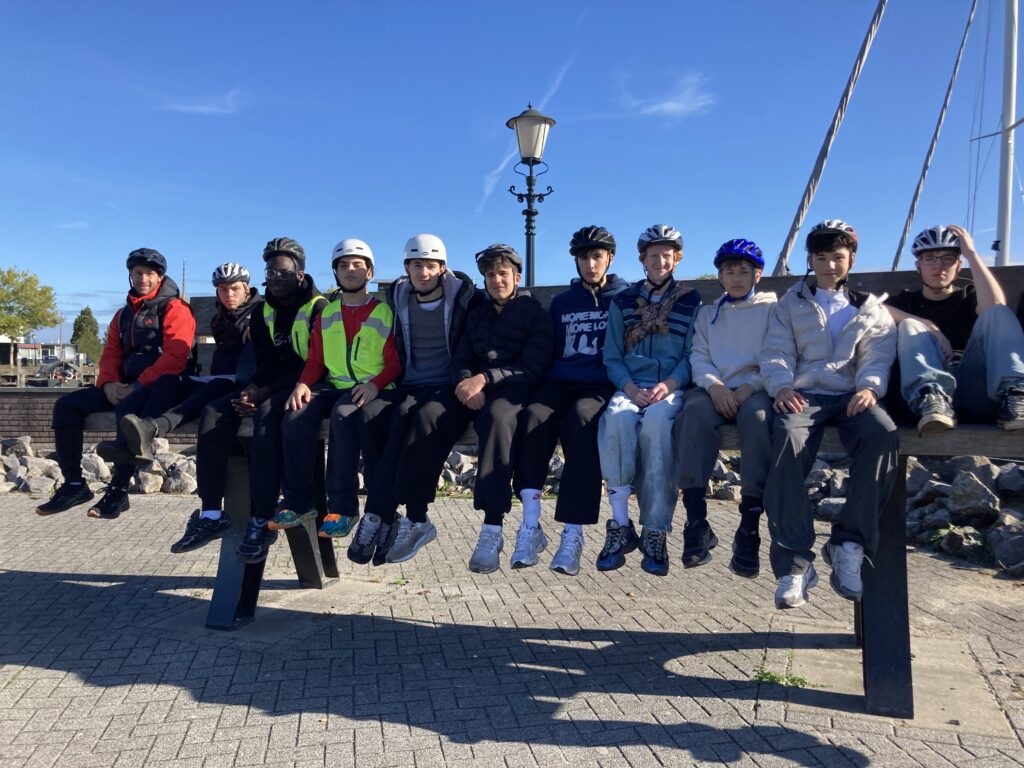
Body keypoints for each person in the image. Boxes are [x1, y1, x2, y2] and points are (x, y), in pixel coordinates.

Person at [760, 219, 897, 609]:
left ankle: (848, 544)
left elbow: (878, 355)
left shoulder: (870, 308)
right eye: (821, 258)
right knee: (786, 437)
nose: (830, 266)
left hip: (852, 395)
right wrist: (781, 385)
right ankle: (794, 562)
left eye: (837, 257)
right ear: (810, 260)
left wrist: (870, 387)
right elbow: (776, 351)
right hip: (805, 394)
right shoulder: (791, 303)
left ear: (851, 259)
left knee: (883, 433)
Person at [176, 237, 326, 564]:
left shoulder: (317, 308)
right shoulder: (265, 312)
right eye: (270, 271)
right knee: (216, 412)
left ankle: (262, 518)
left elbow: (314, 362)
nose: (275, 277)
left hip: (308, 385)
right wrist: (253, 388)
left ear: (299, 273)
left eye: (283, 271)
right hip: (271, 384)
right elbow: (267, 362)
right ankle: (212, 514)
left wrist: (263, 392)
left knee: (267, 417)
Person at [107, 263, 263, 553]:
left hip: (244, 385)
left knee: (211, 407)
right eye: (223, 289)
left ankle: (209, 512)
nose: (229, 294)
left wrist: (261, 329)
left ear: (247, 289)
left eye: (235, 288)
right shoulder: (220, 317)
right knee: (167, 381)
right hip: (216, 379)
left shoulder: (262, 313)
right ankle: (142, 438)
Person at [347, 234, 478, 567]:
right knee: (384, 418)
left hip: (448, 386)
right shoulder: (398, 296)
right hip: (411, 385)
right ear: (406, 268)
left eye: (431, 265)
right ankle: (380, 516)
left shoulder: (463, 298)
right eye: (417, 265)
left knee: (423, 421)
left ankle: (414, 517)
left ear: (443, 269)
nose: (424, 272)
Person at [37, 248, 195, 519]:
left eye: (149, 273)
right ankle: (74, 483)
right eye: (137, 273)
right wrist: (108, 383)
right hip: (122, 385)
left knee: (129, 412)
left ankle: (118, 491)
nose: (142, 278)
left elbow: (175, 356)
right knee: (66, 406)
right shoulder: (122, 315)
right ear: (130, 276)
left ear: (159, 277)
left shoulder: (174, 308)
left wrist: (137, 385)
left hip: (158, 386)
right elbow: (111, 352)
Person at [512, 225, 627, 576]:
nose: (590, 263)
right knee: (532, 417)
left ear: (610, 258)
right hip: (559, 383)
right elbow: (548, 351)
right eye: (583, 257)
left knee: (582, 422)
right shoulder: (562, 303)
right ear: (575, 261)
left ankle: (573, 534)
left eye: (597, 256)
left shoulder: (625, 298)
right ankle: (530, 526)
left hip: (599, 387)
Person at [273, 239, 400, 539]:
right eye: (343, 266)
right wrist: (303, 383)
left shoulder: (383, 312)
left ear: (370, 273)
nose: (350, 270)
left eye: (358, 265)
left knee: (343, 416)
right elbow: (316, 359)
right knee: (294, 414)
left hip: (371, 387)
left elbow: (395, 362)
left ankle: (343, 508)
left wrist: (375, 384)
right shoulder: (328, 313)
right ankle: (298, 502)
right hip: (335, 384)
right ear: (335, 273)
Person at [598, 224, 701, 576]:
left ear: (677, 258)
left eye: (667, 254)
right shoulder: (623, 301)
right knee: (616, 419)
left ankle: (655, 529)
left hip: (669, 387)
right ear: (642, 259)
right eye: (653, 254)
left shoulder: (691, 300)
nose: (660, 260)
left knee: (658, 428)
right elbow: (612, 354)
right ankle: (620, 525)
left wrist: (671, 384)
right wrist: (628, 387)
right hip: (631, 384)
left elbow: (693, 353)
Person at [444, 244, 553, 573]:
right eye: (490, 274)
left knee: (497, 419)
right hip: (478, 390)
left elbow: (533, 366)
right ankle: (407, 514)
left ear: (516, 276)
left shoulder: (535, 313)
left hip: (518, 391)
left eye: (502, 273)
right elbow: (461, 355)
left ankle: (493, 526)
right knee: (423, 417)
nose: (496, 279)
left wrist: (484, 379)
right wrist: (464, 382)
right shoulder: (476, 314)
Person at [674, 238, 776, 577]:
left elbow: (776, 356)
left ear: (757, 275)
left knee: (759, 418)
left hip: (755, 387)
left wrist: (750, 387)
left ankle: (749, 523)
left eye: (744, 272)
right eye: (729, 272)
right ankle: (696, 519)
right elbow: (699, 356)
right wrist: (715, 387)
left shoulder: (772, 311)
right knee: (693, 415)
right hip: (713, 388)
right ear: (720, 277)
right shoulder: (708, 313)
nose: (736, 278)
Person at [884, 224, 1024, 434]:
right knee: (910, 325)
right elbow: (868, 309)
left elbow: (995, 305)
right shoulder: (906, 302)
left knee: (997, 313)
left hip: (975, 389)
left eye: (947, 258)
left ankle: (1015, 396)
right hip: (927, 403)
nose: (938, 265)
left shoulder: (970, 297)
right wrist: (926, 325)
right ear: (918, 266)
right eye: (929, 258)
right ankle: (931, 396)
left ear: (959, 266)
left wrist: (972, 254)